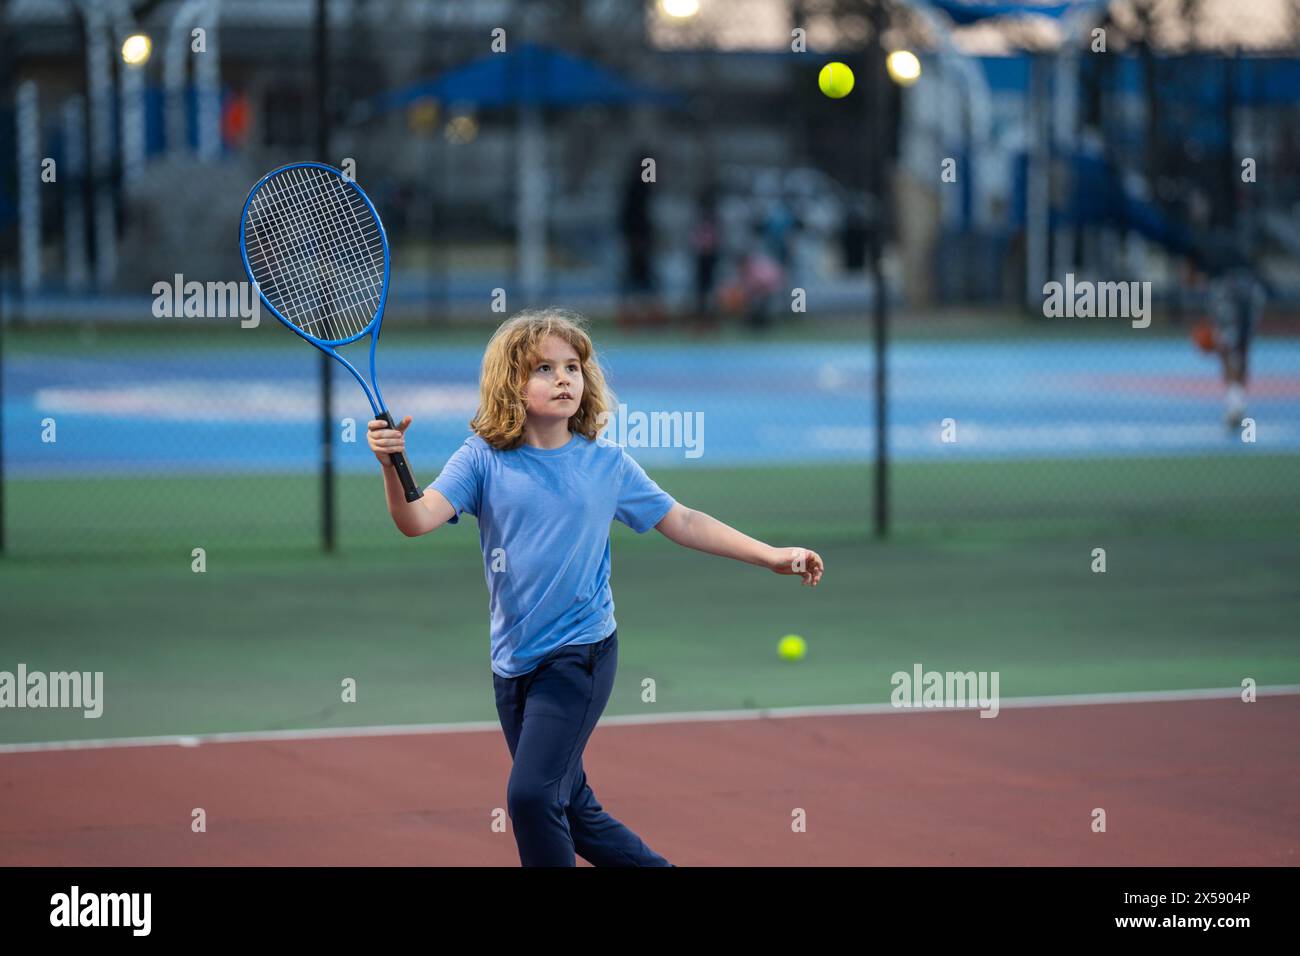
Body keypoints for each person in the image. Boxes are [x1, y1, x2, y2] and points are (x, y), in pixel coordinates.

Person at [365, 308, 825, 866]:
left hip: (580, 658)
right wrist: (393, 465)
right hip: (513, 664)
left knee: (532, 796)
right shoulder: (481, 459)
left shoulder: (606, 464)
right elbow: (415, 520)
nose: (563, 378)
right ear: (510, 384)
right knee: (572, 807)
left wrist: (771, 555)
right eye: (543, 368)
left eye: (572, 367)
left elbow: (681, 520)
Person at [1208, 265, 1266, 429]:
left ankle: (1235, 404)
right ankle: (1237, 402)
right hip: (1251, 286)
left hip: (1228, 288)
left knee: (1227, 348)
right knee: (1241, 349)